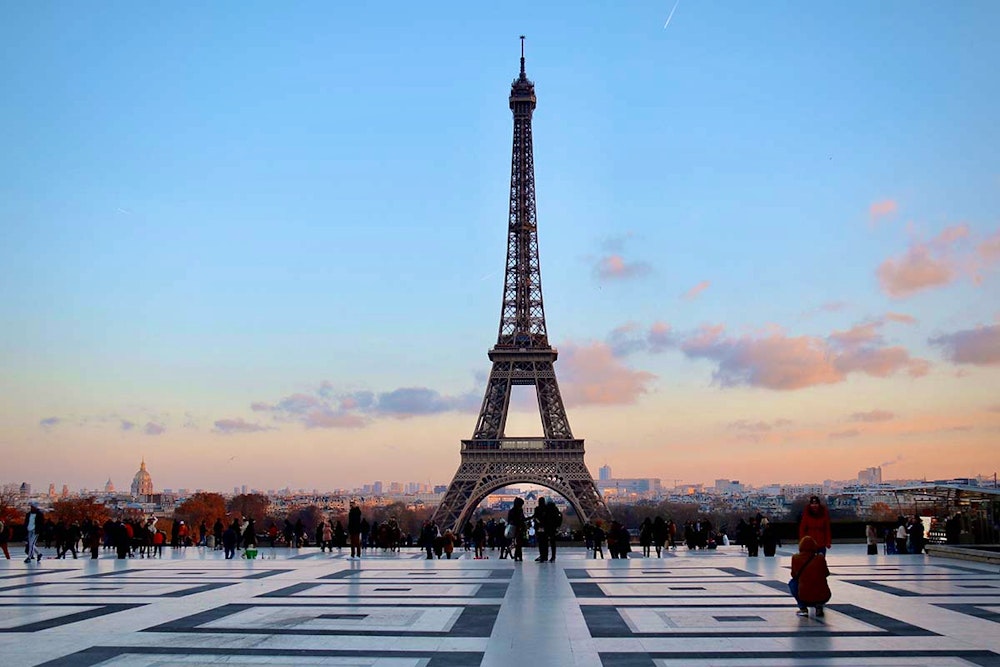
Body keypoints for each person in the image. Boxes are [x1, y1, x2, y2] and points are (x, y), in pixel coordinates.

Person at [790, 535, 831, 617]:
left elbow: (794, 575)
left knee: (792, 583)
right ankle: (819, 605)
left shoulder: (795, 558)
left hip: (804, 596)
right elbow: (826, 573)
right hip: (823, 596)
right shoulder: (820, 558)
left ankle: (803, 608)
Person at [507, 498, 526, 562]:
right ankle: (518, 556)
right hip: (519, 529)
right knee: (519, 543)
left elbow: (509, 521)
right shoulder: (520, 511)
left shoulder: (511, 511)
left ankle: (517, 556)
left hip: (513, 529)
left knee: (517, 543)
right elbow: (522, 519)